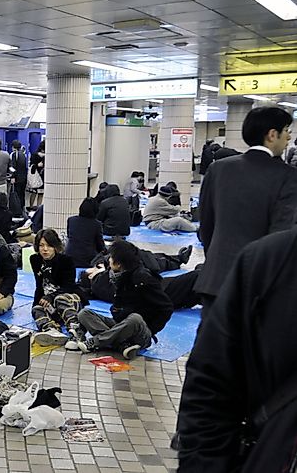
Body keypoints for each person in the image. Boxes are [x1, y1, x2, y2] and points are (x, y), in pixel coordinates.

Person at [176, 229, 297, 471]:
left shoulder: (267, 260)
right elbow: (209, 392)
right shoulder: (270, 262)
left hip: (219, 279)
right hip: (271, 447)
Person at [194, 107, 297, 313]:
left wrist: (216, 259)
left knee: (211, 343)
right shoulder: (288, 176)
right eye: (286, 130)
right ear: (272, 135)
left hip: (215, 280)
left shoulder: (219, 169)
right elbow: (280, 238)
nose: (289, 136)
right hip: (258, 287)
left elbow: (206, 225)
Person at [76, 240, 173, 359]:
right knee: (84, 314)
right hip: (121, 324)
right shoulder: (118, 276)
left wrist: (151, 330)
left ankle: (96, 342)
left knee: (135, 318)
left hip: (139, 330)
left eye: (111, 257)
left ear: (119, 263)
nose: (109, 260)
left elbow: (167, 307)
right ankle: (121, 345)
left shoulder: (142, 279)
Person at [30, 228, 89, 349]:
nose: (45, 249)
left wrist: (50, 297)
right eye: (41, 245)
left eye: (49, 245)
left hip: (68, 298)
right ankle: (51, 330)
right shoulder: (35, 259)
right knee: (36, 309)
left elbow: (69, 285)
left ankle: (76, 331)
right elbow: (39, 285)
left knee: (59, 299)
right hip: (50, 303)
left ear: (55, 246)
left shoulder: (66, 260)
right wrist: (36, 306)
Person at [65, 197, 106, 268]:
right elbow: (100, 246)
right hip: (88, 260)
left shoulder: (71, 220)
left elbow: (69, 237)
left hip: (70, 257)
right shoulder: (97, 224)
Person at [9, 140, 28, 211]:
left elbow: (13, 167)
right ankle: (22, 208)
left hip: (17, 178)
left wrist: (13, 176)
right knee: (22, 194)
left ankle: (17, 209)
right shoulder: (23, 154)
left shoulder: (14, 154)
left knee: (16, 194)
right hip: (23, 178)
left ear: (13, 147)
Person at [26, 141, 45, 208]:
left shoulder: (34, 155)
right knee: (41, 193)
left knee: (34, 192)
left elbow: (31, 165)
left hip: (35, 176)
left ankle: (31, 206)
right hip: (43, 176)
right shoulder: (47, 156)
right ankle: (38, 207)